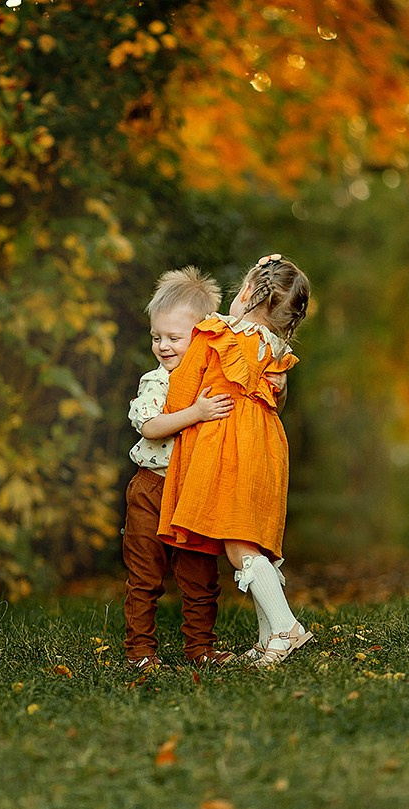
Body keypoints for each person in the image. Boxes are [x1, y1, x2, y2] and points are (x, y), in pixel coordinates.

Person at [157, 253, 312, 667]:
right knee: (253, 539)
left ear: (245, 293)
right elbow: (274, 401)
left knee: (239, 545)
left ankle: (286, 629)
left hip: (230, 452)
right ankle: (267, 639)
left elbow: (180, 394)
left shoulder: (215, 334)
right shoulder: (275, 351)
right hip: (267, 450)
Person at [122, 265, 237, 671]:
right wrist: (197, 412)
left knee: (200, 577)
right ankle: (140, 651)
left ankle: (200, 648)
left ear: (202, 334)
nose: (163, 346)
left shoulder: (211, 378)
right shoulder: (156, 381)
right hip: (151, 489)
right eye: (157, 337)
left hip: (191, 492)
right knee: (145, 575)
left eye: (174, 338)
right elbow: (151, 426)